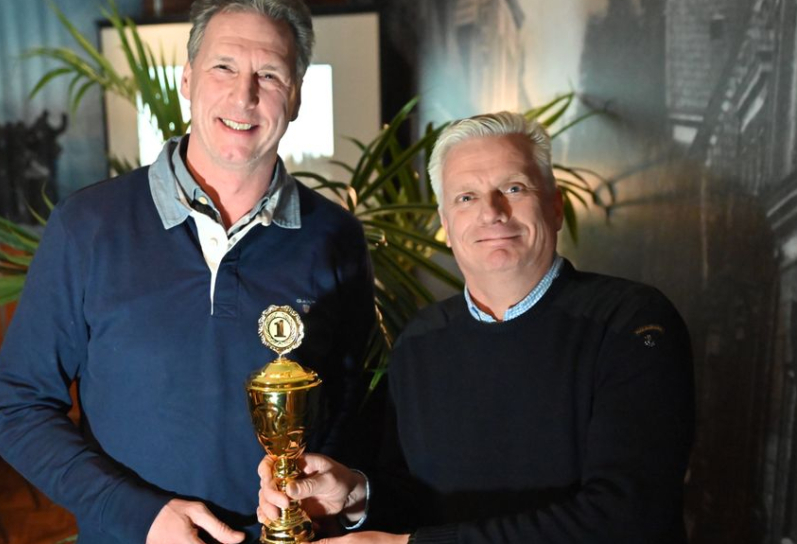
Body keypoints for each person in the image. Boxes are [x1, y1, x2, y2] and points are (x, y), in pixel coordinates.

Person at [0, 0, 375, 543]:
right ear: (187, 80)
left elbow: (359, 405)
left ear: (297, 95)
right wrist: (139, 514)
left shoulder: (335, 237)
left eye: (269, 74)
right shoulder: (88, 225)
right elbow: (17, 405)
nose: (244, 95)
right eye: (224, 67)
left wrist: (339, 492)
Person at [257, 112, 695, 543]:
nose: (492, 212)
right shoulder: (420, 341)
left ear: (556, 207)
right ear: (446, 225)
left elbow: (627, 516)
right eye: (466, 197)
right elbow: (414, 496)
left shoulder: (632, 322)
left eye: (514, 188)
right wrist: (355, 495)